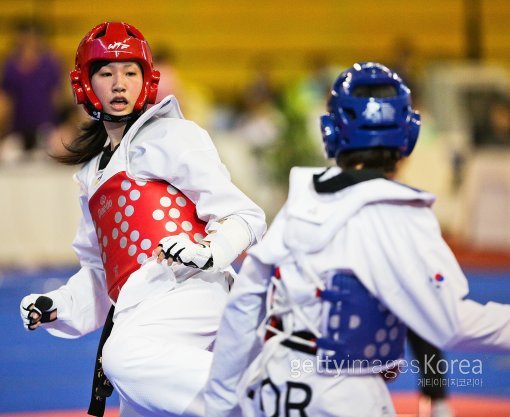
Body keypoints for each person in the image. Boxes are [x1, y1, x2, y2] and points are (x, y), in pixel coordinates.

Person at [204, 62, 510, 417]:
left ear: (331, 130)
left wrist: (221, 402)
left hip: (275, 385)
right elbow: (448, 323)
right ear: (408, 133)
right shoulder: (402, 214)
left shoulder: (304, 198)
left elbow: (245, 302)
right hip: (346, 393)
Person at [19, 21, 266, 417]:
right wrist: (59, 305)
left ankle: (266, 389)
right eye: (106, 73)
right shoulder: (91, 175)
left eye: (130, 72)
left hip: (189, 289)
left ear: (147, 81)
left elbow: (244, 214)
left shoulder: (172, 136)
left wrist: (208, 250)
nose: (119, 84)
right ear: (84, 84)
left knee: (125, 355)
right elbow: (101, 275)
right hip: (139, 306)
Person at [1, 19, 62, 158]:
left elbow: (56, 98)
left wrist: (58, 125)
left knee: (50, 155)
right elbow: (5, 101)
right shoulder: (10, 65)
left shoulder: (50, 63)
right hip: (18, 129)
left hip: (45, 128)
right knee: (8, 155)